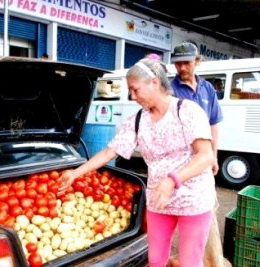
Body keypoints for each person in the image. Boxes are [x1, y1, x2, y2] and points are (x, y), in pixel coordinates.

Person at [59, 58, 216, 267]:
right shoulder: (137, 120)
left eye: (135, 90)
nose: (132, 97)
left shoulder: (187, 111)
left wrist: (172, 180)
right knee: (156, 260)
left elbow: (205, 156)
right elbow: (109, 152)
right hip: (158, 201)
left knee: (190, 262)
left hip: (193, 200)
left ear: (154, 83)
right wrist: (75, 173)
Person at [170, 42, 226, 267]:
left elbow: (213, 124)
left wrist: (214, 156)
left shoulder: (207, 89)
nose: (182, 67)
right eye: (177, 63)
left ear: (198, 62)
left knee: (207, 211)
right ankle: (191, 260)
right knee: (185, 212)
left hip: (203, 161)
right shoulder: (169, 90)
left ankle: (210, 260)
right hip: (180, 163)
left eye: (187, 62)